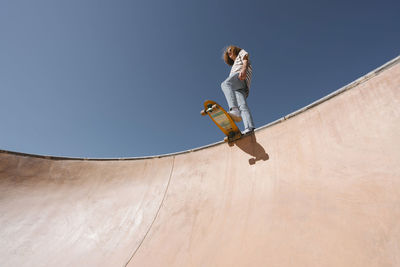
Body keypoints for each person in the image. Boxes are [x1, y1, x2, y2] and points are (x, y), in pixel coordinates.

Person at [221, 45, 255, 135]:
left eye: (230, 51)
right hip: (242, 86)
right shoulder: (233, 65)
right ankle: (249, 127)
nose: (229, 54)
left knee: (225, 84)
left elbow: (246, 59)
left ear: (235, 49)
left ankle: (234, 110)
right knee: (242, 106)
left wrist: (243, 69)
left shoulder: (241, 53)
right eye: (228, 54)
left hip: (239, 76)